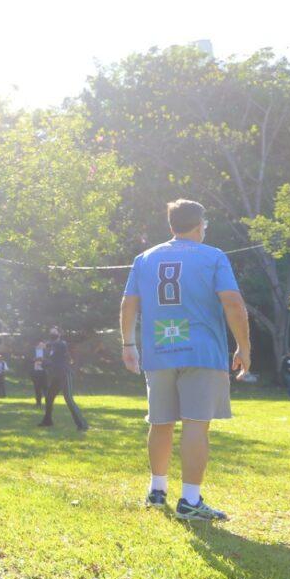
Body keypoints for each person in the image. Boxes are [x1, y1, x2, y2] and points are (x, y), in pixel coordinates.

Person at [121, 199, 250, 521]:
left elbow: (128, 303)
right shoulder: (213, 256)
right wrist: (243, 347)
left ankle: (157, 490)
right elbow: (233, 302)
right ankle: (190, 500)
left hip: (160, 347)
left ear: (171, 226)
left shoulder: (144, 258)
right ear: (199, 225)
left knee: (160, 421)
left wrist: (128, 344)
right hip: (201, 350)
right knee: (195, 423)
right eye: (205, 224)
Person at [38, 327, 88, 431]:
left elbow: (57, 346)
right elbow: (53, 362)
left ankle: (82, 425)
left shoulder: (61, 344)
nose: (52, 333)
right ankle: (48, 421)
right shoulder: (52, 349)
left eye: (54, 332)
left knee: (68, 399)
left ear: (59, 334)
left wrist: (46, 345)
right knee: (49, 397)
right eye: (51, 331)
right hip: (57, 376)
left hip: (65, 375)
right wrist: (43, 362)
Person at [30, 340, 48, 407]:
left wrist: (43, 360)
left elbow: (49, 360)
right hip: (35, 372)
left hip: (44, 371)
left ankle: (48, 402)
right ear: (37, 344)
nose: (43, 346)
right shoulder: (32, 351)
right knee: (37, 388)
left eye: (43, 345)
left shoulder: (46, 352)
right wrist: (34, 359)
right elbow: (28, 360)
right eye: (41, 345)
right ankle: (38, 402)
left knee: (45, 388)